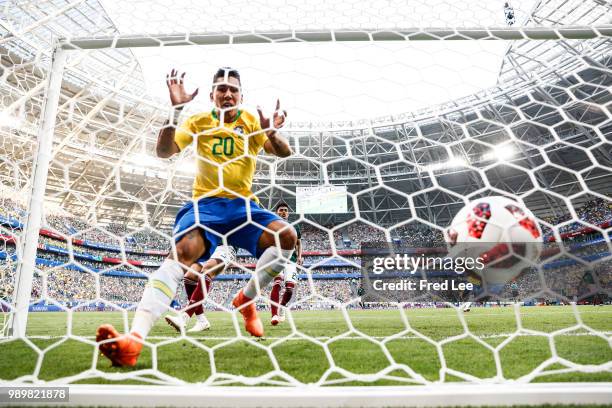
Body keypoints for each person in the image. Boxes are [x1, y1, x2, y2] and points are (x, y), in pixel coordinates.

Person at [96, 67, 296, 367]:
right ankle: (132, 343)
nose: (227, 93)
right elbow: (165, 151)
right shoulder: (199, 121)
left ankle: (246, 299)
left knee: (287, 237)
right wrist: (176, 111)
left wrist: (270, 132)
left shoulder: (252, 122)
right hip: (207, 207)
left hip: (243, 207)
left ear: (241, 95)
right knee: (181, 258)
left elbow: (284, 152)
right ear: (212, 94)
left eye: (233, 89)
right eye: (221, 88)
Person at [165, 245, 236, 333]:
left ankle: (183, 318)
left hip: (226, 246)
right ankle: (202, 321)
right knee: (189, 276)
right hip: (209, 246)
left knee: (207, 271)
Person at [269, 202, 302, 325]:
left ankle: (282, 306)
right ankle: (274, 315)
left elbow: (298, 243)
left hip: (291, 260)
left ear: (288, 213)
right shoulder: (272, 225)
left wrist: (299, 256)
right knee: (277, 284)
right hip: (276, 259)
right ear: (276, 212)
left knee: (289, 289)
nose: (283, 212)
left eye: (285, 210)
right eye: (281, 210)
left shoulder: (294, 226)